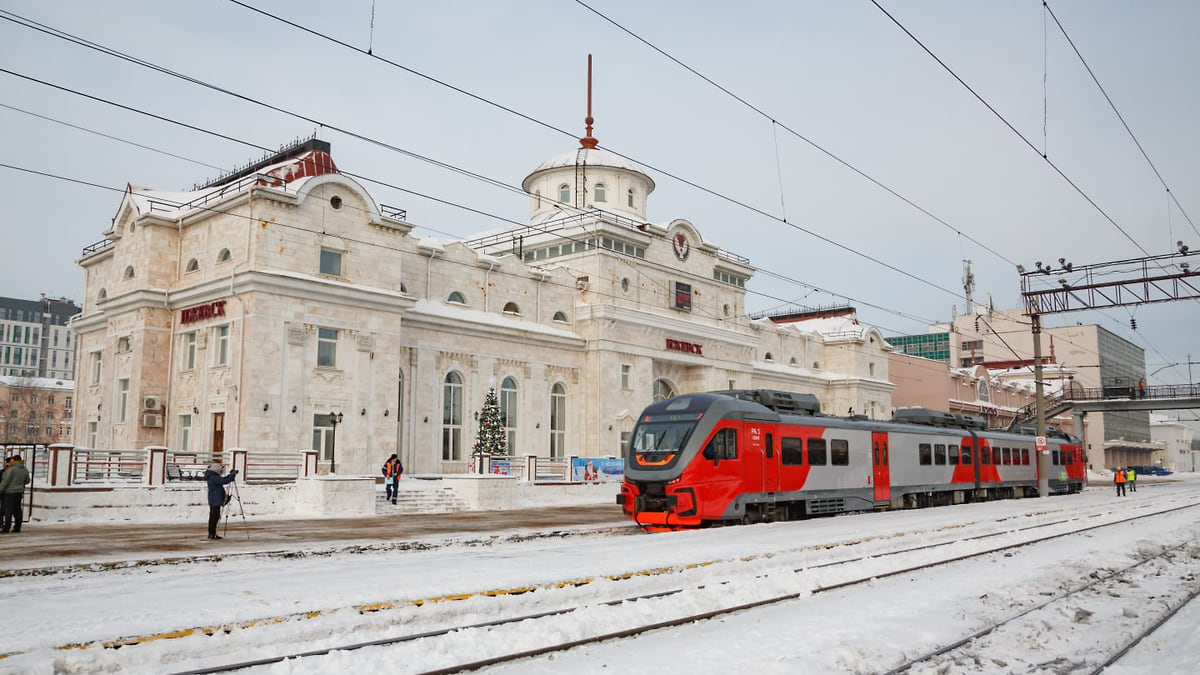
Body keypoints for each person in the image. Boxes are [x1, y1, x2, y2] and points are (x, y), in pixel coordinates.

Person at [204, 462, 238, 539]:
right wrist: (232, 475)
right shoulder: (213, 477)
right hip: (215, 499)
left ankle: (212, 533)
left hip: (214, 499)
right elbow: (223, 481)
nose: (220, 472)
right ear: (216, 470)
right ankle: (212, 533)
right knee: (214, 517)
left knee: (214, 516)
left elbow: (223, 479)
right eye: (219, 470)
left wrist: (230, 475)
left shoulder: (212, 476)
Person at [1, 455, 31, 533]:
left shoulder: (11, 469)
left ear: (14, 460)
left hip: (10, 492)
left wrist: (0, 489)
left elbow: (5, 481)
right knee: (17, 510)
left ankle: (6, 528)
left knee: (8, 510)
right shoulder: (25, 469)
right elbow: (27, 481)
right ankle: (17, 527)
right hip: (19, 492)